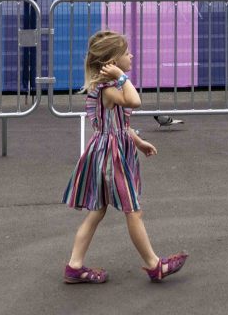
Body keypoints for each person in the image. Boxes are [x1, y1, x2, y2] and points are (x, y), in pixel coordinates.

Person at [62, 30, 188, 284]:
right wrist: (122, 77)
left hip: (109, 150)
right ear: (112, 61)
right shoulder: (108, 89)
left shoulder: (106, 88)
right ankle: (155, 265)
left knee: (98, 210)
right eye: (126, 52)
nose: (132, 55)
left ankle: (74, 266)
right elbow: (135, 100)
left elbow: (119, 125)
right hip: (112, 157)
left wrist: (139, 142)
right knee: (133, 210)